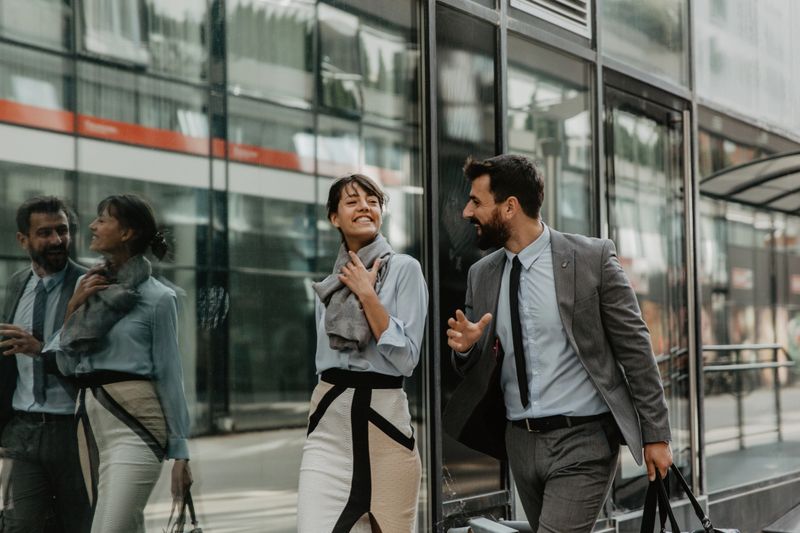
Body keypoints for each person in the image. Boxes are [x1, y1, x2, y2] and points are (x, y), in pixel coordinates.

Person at [444, 154, 672, 533]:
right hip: (520, 442)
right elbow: (477, 365)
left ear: (510, 207)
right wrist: (467, 349)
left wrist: (657, 434)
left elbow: (635, 349)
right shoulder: (481, 274)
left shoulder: (591, 259)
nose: (468, 212)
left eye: (477, 202)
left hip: (583, 441)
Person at [44, 194, 192, 533]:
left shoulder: (159, 298)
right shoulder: (89, 286)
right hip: (90, 427)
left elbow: (171, 374)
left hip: (136, 424)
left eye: (103, 219)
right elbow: (66, 366)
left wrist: (181, 453)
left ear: (127, 233)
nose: (93, 226)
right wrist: (73, 309)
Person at [297, 174, 428, 532]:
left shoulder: (405, 270)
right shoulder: (329, 287)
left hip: (386, 430)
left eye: (372, 201)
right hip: (329, 426)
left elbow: (408, 359)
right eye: (352, 202)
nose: (365, 207)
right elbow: (323, 362)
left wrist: (368, 296)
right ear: (334, 218)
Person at [0, 196, 91, 532]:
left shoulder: (88, 285)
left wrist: (40, 350)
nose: (56, 240)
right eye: (45, 233)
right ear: (23, 239)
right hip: (22, 430)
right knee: (20, 526)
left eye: (63, 231)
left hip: (73, 429)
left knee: (78, 524)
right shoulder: (15, 284)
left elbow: (93, 363)